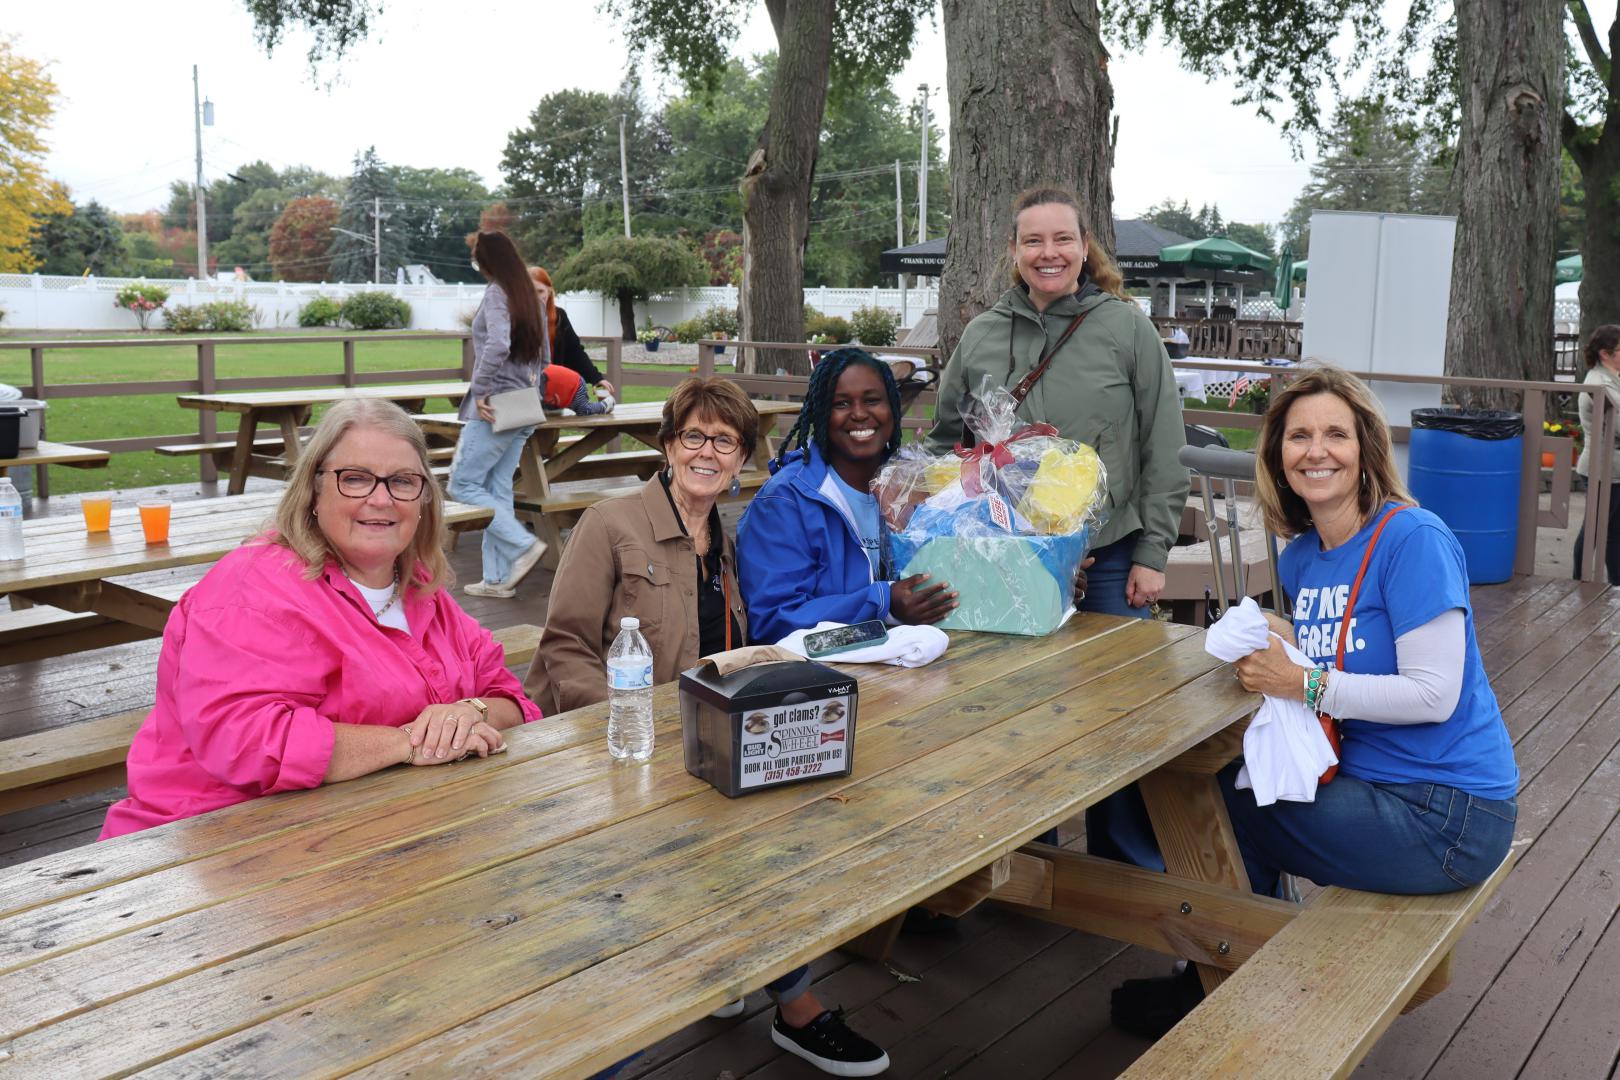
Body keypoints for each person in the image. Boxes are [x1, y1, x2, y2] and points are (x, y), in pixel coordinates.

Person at [523, 376, 890, 1077]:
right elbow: (564, 648)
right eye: (693, 435)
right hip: (614, 760)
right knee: (682, 882)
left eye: (724, 441)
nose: (706, 452)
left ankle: (775, 994)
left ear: (742, 458)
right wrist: (628, 733)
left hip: (698, 749)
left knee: (775, 831)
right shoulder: (611, 523)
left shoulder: (723, 540)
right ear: (668, 445)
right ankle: (618, 1049)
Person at [100, 399, 541, 840]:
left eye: (403, 481)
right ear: (313, 490)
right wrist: (409, 742)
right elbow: (244, 741)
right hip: (214, 838)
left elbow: (510, 696)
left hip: (381, 825)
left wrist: (468, 712)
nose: (381, 499)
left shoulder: (420, 589)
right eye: (355, 479)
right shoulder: (251, 587)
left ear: (424, 497)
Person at [925, 185, 1188, 869]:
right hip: (1007, 565)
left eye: (1062, 239)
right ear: (1013, 251)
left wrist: (1153, 550)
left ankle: (1127, 869)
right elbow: (946, 441)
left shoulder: (1126, 329)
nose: (1049, 253)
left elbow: (1164, 445)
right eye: (1034, 241)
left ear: (1084, 247)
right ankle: (1024, 861)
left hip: (1109, 557)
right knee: (1014, 712)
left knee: (1118, 713)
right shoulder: (983, 334)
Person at [737, 347, 958, 645]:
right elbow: (774, 621)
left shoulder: (914, 483)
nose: (859, 413)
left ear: (893, 408)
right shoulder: (785, 502)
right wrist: (883, 603)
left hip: (927, 657)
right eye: (841, 403)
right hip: (821, 671)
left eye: (872, 400)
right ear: (821, 413)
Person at [449, 230, 550, 600]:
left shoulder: (497, 292)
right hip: (525, 404)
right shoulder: (529, 296)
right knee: (496, 488)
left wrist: (480, 389)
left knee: (462, 484)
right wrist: (529, 387)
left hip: (496, 405)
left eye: (478, 257)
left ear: (488, 260)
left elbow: (497, 343)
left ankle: (523, 545)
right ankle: (497, 578)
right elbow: (545, 357)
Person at [1573, 324, 1620, 583]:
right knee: (1593, 529)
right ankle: (1578, 582)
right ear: (1605, 353)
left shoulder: (1613, 378)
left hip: (1613, 468)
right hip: (1601, 468)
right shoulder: (1599, 383)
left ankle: (1616, 585)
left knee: (1613, 531)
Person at [531, 266, 617, 402]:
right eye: (531, 291)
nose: (536, 297)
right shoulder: (514, 319)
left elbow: (575, 352)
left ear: (549, 291)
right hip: (525, 391)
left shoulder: (559, 317)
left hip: (555, 392)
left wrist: (596, 378)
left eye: (540, 291)